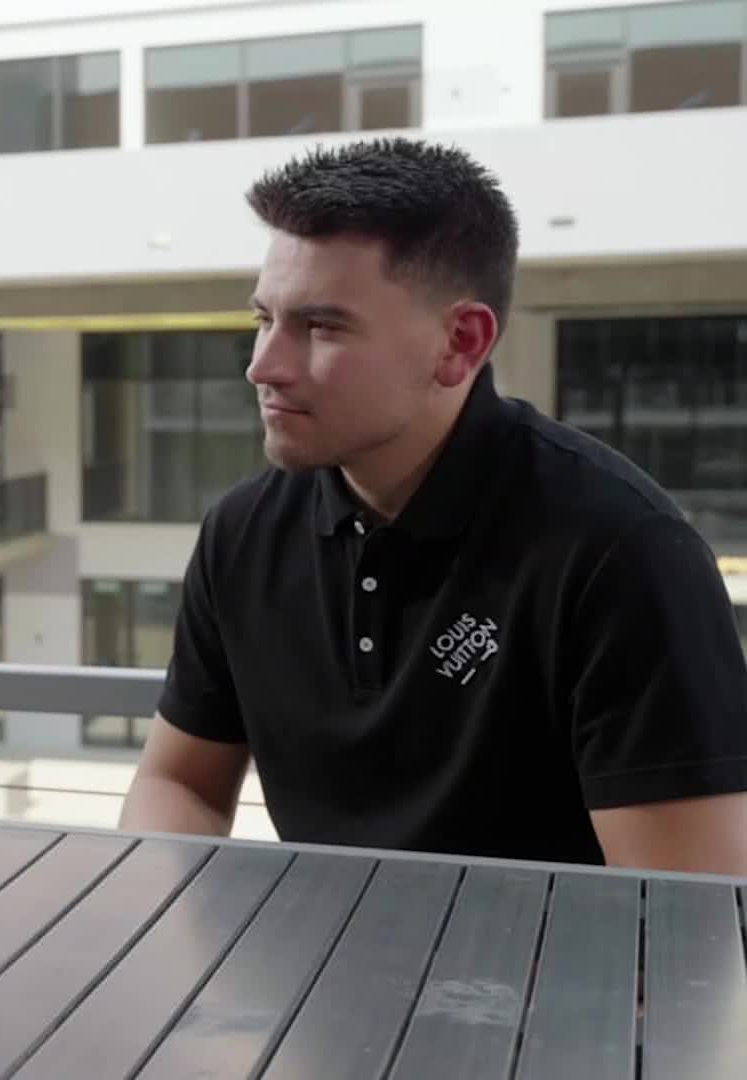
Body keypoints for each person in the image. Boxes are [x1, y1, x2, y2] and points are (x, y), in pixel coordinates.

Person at [118, 137, 747, 875]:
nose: (263, 366)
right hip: (311, 977)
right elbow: (179, 779)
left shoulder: (618, 551)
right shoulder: (244, 532)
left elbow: (683, 919)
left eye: (320, 327)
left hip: (547, 988)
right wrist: (154, 932)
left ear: (461, 341)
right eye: (264, 319)